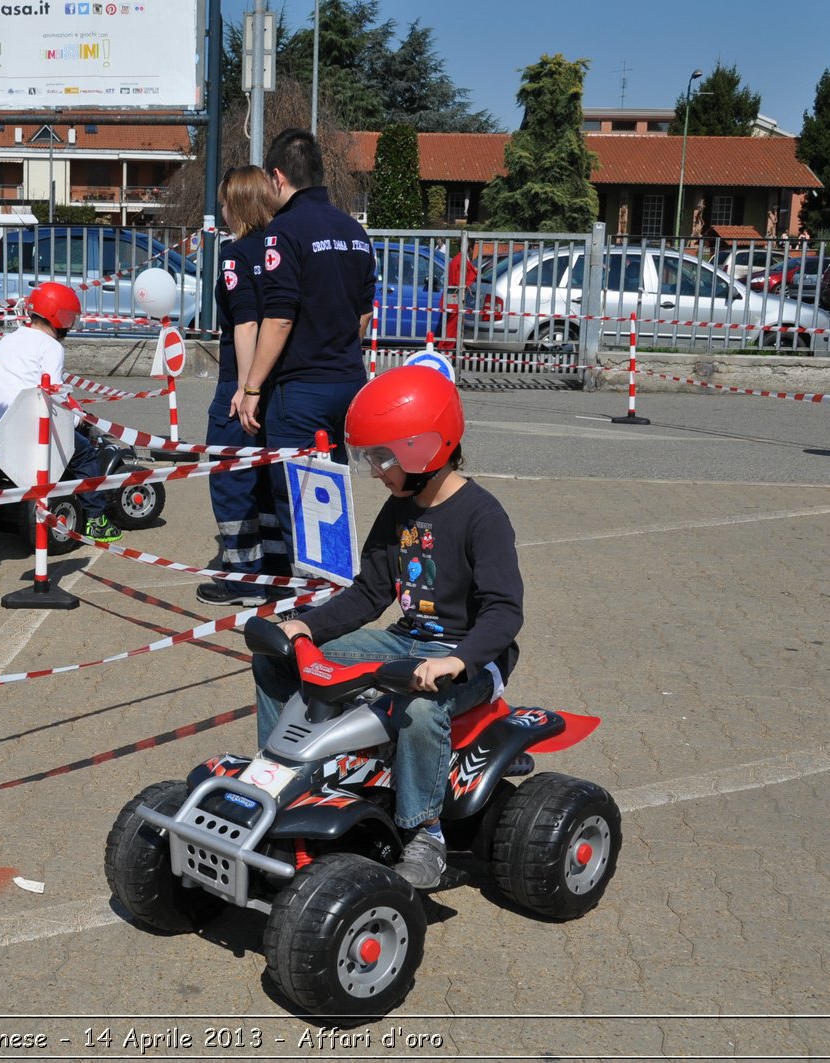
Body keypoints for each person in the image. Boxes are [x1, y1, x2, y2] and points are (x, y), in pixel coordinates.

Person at [251, 366, 524, 889]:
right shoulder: (399, 508)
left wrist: (455, 661)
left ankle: (425, 831)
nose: (376, 469)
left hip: (471, 658)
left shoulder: (482, 516)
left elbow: (504, 613)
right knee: (279, 659)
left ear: (424, 448)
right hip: (405, 640)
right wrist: (303, 627)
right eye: (371, 457)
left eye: (383, 457)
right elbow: (369, 593)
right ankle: (282, 778)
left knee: (419, 710)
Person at [235, 128, 376, 572]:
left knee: (297, 495)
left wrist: (252, 387)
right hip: (349, 383)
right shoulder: (354, 231)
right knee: (332, 489)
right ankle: (333, 586)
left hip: (302, 390)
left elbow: (278, 318)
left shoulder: (284, 231)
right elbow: (362, 317)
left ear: (278, 178)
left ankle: (309, 606)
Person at [196, 165, 285, 607]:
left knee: (232, 481)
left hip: (241, 379)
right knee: (269, 484)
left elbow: (247, 323)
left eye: (225, 202)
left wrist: (246, 387)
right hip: (279, 382)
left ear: (238, 205)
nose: (223, 210)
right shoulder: (281, 249)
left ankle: (242, 579)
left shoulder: (237, 255)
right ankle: (273, 572)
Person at [0, 281, 120, 542]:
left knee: (46, 454)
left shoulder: (9, 338)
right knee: (85, 453)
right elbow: (52, 393)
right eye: (69, 318)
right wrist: (78, 421)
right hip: (26, 422)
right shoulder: (51, 347)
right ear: (58, 315)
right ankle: (97, 521)